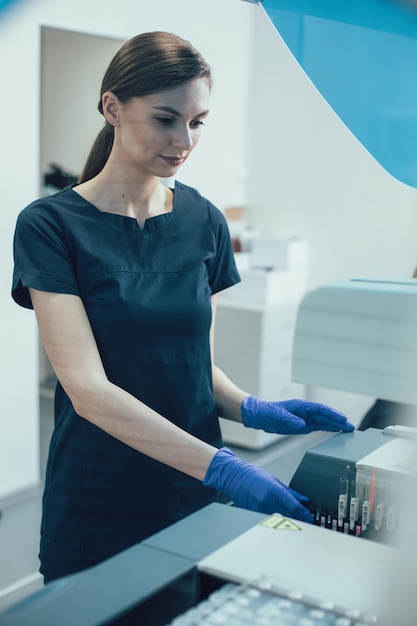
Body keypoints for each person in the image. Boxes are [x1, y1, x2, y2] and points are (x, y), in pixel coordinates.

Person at [12, 31, 354, 583]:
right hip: (101, 490)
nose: (184, 140)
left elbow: (194, 363)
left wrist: (249, 408)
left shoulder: (204, 221)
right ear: (112, 107)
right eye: (166, 119)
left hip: (191, 489)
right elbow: (88, 391)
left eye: (197, 122)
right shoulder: (50, 226)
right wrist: (227, 469)